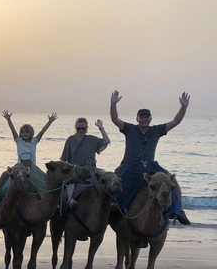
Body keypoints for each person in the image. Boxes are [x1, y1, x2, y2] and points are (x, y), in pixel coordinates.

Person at [110, 90, 190, 224]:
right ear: (137, 119)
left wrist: (183, 106)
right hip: (130, 165)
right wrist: (113, 104)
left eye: (147, 117)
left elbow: (176, 121)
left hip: (151, 166)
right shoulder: (130, 129)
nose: (144, 119)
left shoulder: (156, 130)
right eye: (142, 117)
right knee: (114, 182)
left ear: (150, 119)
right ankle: (112, 209)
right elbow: (114, 119)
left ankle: (178, 210)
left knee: (173, 182)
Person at [0, 110, 58, 196]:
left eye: (27, 132)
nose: (25, 134)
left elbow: (42, 131)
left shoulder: (34, 141)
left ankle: (51, 198)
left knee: (45, 178)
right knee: (4, 174)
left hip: (32, 166)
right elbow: (12, 129)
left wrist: (49, 122)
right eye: (23, 132)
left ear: (31, 133)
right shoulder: (18, 141)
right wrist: (8, 120)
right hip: (19, 165)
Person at [60, 117, 110, 207]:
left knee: (106, 180)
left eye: (83, 128)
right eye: (79, 128)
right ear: (75, 127)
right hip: (75, 168)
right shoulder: (70, 140)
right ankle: (69, 199)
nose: (81, 131)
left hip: (90, 168)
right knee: (65, 183)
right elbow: (64, 159)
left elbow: (107, 141)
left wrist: (101, 128)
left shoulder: (92, 139)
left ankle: (107, 204)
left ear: (87, 128)